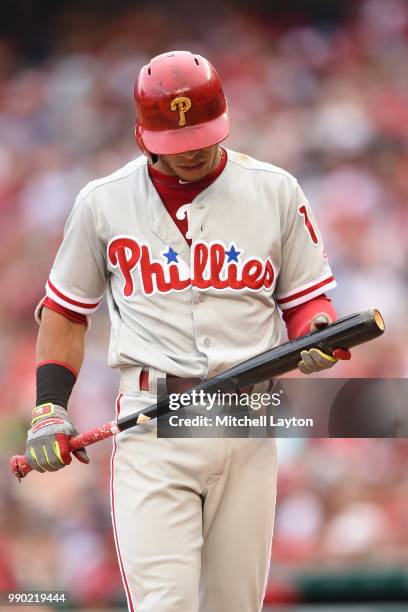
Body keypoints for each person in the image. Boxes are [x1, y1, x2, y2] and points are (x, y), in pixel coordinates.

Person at [25, 50, 350, 611]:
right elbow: (66, 311)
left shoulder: (274, 190)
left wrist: (315, 332)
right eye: (178, 141)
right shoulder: (103, 203)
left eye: (203, 132)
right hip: (155, 420)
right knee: (163, 606)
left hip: (246, 414)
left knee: (234, 605)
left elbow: (306, 300)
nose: (195, 149)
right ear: (142, 136)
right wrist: (50, 408)